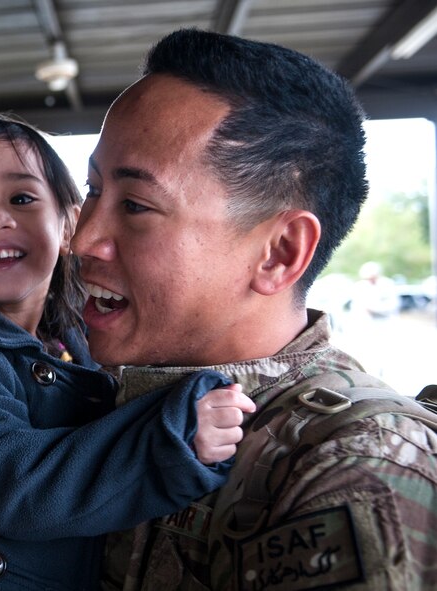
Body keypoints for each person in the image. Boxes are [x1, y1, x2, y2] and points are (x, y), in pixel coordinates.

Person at [68, 29, 437, 590]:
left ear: (279, 253)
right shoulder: (96, 398)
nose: (84, 241)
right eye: (92, 190)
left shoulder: (352, 466)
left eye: (137, 206)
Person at [0, 115, 254, 590]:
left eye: (22, 198)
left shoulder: (74, 344)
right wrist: (169, 441)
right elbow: (15, 485)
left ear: (69, 224)